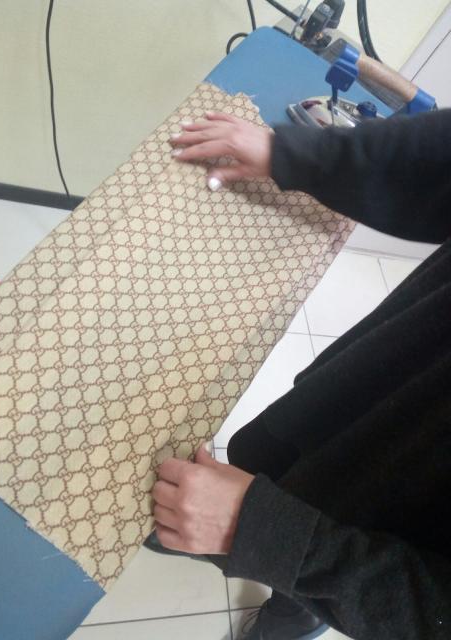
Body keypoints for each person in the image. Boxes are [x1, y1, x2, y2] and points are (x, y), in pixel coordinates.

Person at [148, 107, 451, 640]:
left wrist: (270, 539)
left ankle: (294, 612)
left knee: (312, 561)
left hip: (402, 529)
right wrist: (299, 156)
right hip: (366, 384)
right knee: (275, 461)